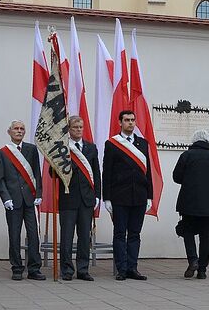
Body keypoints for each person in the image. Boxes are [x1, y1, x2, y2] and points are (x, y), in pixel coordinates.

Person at [103, 110, 153, 280]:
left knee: (134, 234)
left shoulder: (143, 144)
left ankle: (132, 268)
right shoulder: (112, 144)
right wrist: (107, 197)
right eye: (126, 120)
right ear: (120, 122)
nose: (130, 123)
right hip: (119, 196)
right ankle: (121, 269)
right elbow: (107, 172)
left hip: (139, 195)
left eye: (132, 120)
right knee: (119, 234)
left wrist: (149, 196)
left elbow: (148, 173)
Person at [173, 130, 209, 279]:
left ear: (194, 141)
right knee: (205, 236)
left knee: (187, 232)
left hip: (189, 202)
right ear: (208, 142)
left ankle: (193, 259)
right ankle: (202, 270)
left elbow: (176, 177)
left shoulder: (186, 156)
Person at [0, 120, 45, 281]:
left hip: (30, 199)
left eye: (22, 129)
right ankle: (17, 268)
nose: (19, 131)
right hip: (13, 201)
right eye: (16, 129)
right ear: (9, 132)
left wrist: (39, 193)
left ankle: (34, 269)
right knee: (14, 235)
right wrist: (5, 198)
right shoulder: (3, 153)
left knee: (34, 235)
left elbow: (37, 173)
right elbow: (0, 179)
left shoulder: (31, 149)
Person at [56, 115, 101, 281]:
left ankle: (83, 269)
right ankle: (67, 270)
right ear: (69, 129)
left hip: (87, 199)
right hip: (68, 198)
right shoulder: (62, 147)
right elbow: (52, 174)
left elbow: (96, 173)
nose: (78, 130)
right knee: (67, 237)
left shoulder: (91, 148)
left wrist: (97, 195)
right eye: (75, 127)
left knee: (84, 236)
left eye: (81, 127)